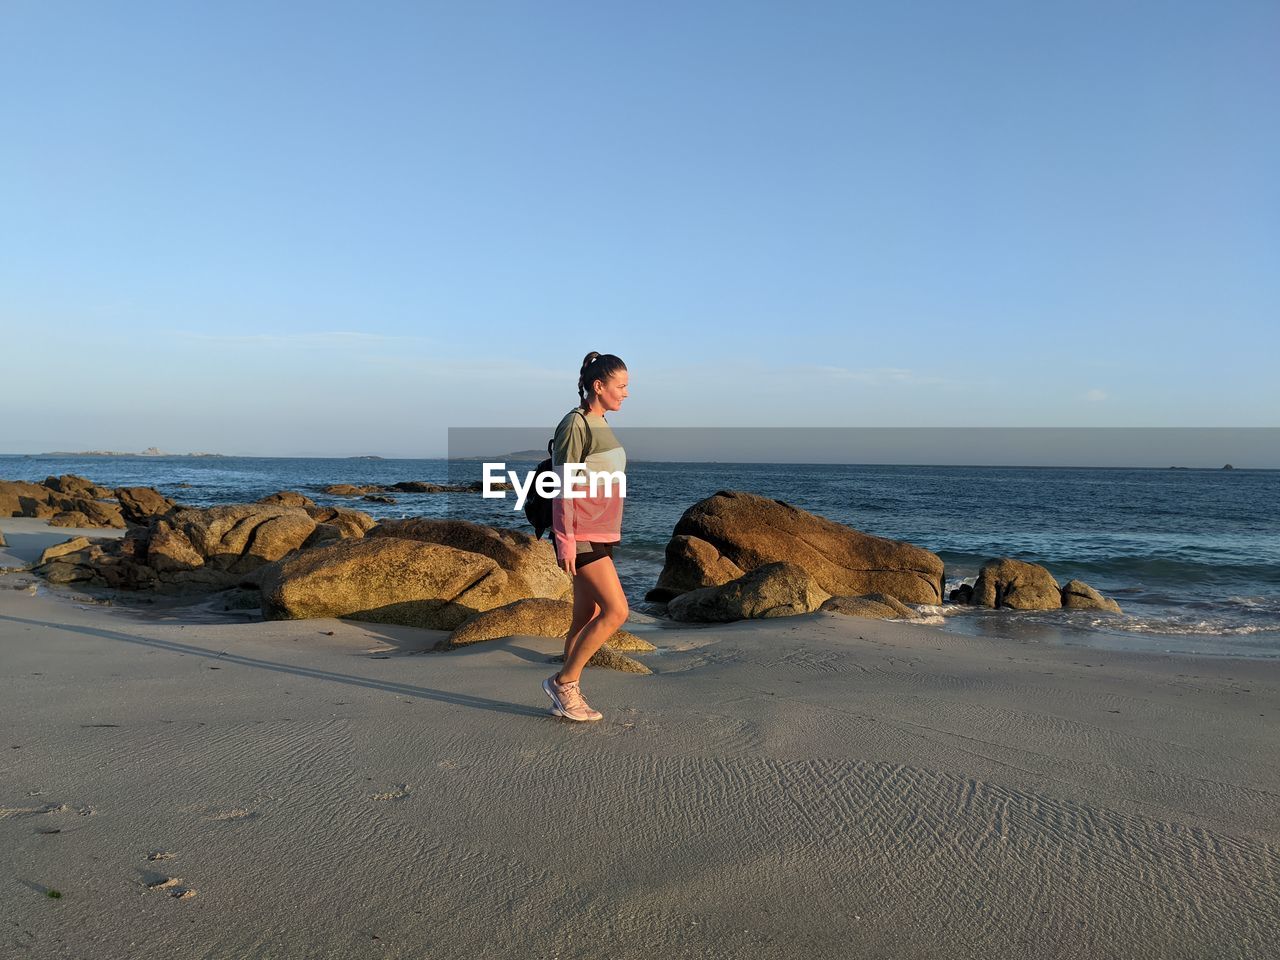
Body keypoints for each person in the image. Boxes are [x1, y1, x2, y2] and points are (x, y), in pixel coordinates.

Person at [542, 351, 629, 722]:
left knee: (586, 615)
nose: (626, 393)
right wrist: (564, 541)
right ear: (599, 386)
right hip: (582, 535)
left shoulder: (599, 422)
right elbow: (562, 487)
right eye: (621, 386)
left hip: (601, 531)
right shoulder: (575, 424)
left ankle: (566, 696)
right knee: (617, 611)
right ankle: (564, 683)